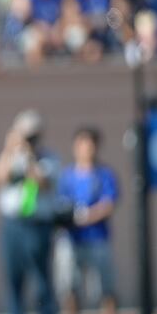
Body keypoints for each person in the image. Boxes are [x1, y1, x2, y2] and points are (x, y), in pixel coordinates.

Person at [0, 109, 60, 314]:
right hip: (12, 225)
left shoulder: (48, 158)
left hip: (37, 225)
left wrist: (29, 156)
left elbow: (42, 182)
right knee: (13, 281)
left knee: (41, 281)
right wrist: (9, 149)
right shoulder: (10, 157)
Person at [58, 127, 118, 314]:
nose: (86, 149)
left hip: (97, 239)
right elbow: (60, 204)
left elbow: (108, 204)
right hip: (71, 240)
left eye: (90, 144)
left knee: (105, 290)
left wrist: (87, 216)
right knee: (69, 290)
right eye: (82, 144)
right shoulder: (67, 176)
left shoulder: (104, 174)